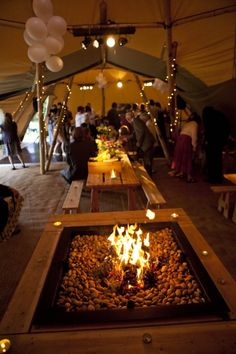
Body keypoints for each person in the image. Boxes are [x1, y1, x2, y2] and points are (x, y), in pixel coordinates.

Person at [169, 112, 201, 182]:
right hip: (186, 140)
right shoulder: (194, 124)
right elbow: (194, 136)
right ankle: (189, 176)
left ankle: (182, 172)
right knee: (188, 157)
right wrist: (194, 146)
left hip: (180, 140)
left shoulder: (187, 123)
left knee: (181, 156)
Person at [202, 106, 230, 183]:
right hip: (219, 142)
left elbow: (208, 131)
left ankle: (212, 177)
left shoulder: (209, 118)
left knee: (212, 160)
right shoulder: (220, 116)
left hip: (212, 142)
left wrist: (206, 140)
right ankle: (217, 177)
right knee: (217, 160)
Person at [131, 108, 155, 177]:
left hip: (146, 144)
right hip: (148, 143)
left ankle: (149, 178)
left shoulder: (135, 121)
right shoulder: (136, 121)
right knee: (147, 161)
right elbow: (136, 132)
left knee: (147, 162)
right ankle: (148, 176)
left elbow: (141, 132)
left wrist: (139, 143)